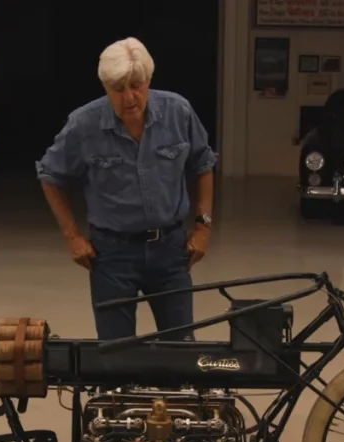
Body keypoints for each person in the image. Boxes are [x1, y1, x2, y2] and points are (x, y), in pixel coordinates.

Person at [36, 37, 216, 341]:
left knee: (182, 349)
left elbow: (203, 165)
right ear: (106, 87)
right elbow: (50, 174)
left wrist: (203, 229)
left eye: (137, 85)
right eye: (118, 89)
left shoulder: (178, 112)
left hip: (171, 251)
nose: (130, 97)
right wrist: (72, 236)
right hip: (112, 255)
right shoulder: (83, 124)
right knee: (116, 354)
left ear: (149, 80)